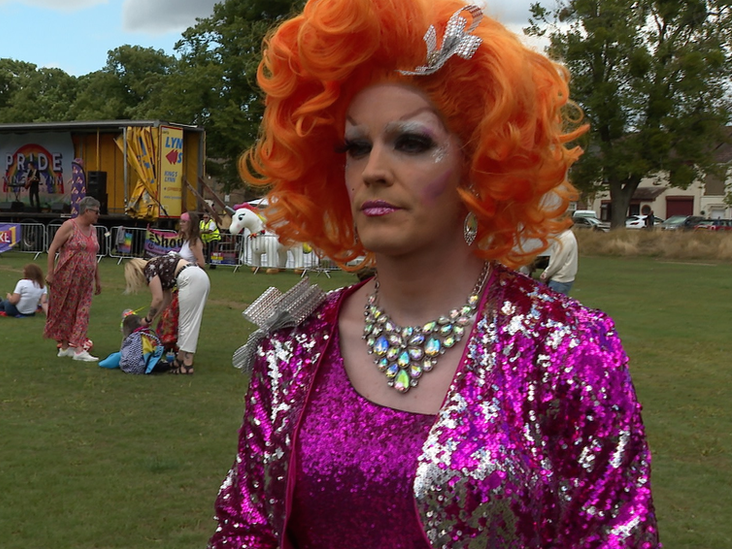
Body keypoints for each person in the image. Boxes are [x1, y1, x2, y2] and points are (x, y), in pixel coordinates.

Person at [209, 1, 659, 548]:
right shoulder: (291, 350)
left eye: (411, 142)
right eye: (356, 146)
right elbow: (245, 530)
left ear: (480, 161)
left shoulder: (567, 346)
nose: (373, 169)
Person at [123, 252, 210, 375]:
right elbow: (167, 298)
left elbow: (157, 298)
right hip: (198, 276)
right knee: (186, 322)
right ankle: (179, 360)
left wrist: (147, 319)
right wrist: (154, 317)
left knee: (187, 324)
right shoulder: (159, 265)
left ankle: (187, 365)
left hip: (190, 279)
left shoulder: (149, 268)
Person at [44, 196, 102, 361]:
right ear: (86, 211)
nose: (98, 215)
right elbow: (53, 249)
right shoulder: (69, 226)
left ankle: (77, 348)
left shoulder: (94, 230)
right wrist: (50, 272)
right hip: (67, 276)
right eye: (96, 212)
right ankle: (66, 347)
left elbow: (93, 256)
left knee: (83, 310)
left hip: (86, 279)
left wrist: (98, 280)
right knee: (65, 311)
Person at [158, 212, 207, 352]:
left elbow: (201, 263)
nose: (181, 224)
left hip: (190, 281)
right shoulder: (186, 240)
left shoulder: (194, 242)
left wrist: (182, 263)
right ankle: (169, 343)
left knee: (173, 314)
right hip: (180, 282)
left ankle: (172, 344)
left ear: (191, 224)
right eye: (180, 221)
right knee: (170, 313)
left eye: (184, 222)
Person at [540, 228, 578, 295]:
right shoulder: (565, 236)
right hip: (563, 279)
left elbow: (558, 262)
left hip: (559, 280)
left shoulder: (565, 238)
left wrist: (546, 274)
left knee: (553, 303)